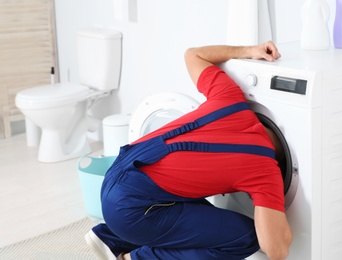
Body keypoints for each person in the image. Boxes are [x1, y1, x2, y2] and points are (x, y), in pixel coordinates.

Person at [85, 41, 292, 260]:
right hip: (131, 211)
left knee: (199, 209)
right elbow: (275, 250)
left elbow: (193, 55)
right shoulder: (266, 173)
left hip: (117, 175)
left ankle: (112, 238)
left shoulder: (229, 97)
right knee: (245, 238)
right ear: (281, 164)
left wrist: (250, 51)